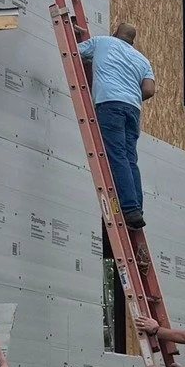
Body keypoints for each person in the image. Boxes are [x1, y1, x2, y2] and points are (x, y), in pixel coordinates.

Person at [77, 23, 154, 229]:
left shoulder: (103, 41)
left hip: (110, 103)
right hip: (132, 109)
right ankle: (136, 208)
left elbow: (74, 51)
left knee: (116, 155)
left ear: (115, 34)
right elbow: (149, 90)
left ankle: (129, 208)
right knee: (130, 159)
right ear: (132, 41)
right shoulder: (143, 60)